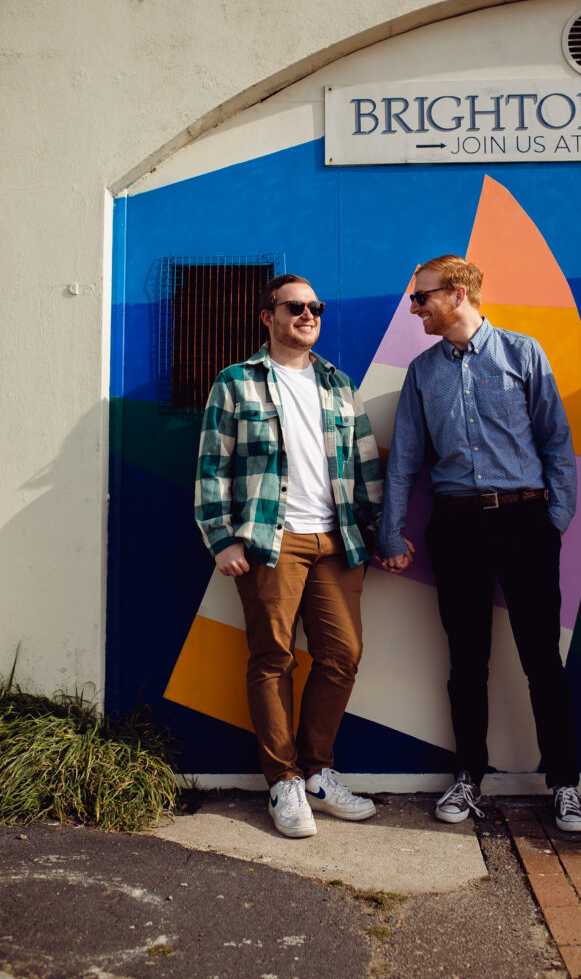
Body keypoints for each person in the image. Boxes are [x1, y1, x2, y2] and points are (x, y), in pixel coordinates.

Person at [377, 254, 581, 833]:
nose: (414, 307)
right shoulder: (422, 372)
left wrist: (557, 519)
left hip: (525, 524)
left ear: (459, 293)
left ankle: (567, 785)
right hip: (457, 528)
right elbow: (406, 464)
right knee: (466, 660)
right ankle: (469, 776)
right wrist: (390, 530)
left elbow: (556, 442)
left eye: (421, 297)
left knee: (542, 658)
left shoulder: (523, 354)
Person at [195, 273, 383, 838]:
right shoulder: (236, 382)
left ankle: (319, 772)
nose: (308, 314)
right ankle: (284, 782)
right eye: (295, 306)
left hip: (336, 542)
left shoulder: (338, 384)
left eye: (316, 307)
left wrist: (375, 534)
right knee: (273, 657)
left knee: (342, 655)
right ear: (268, 316)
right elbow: (212, 466)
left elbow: (366, 465)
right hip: (269, 540)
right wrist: (220, 537)